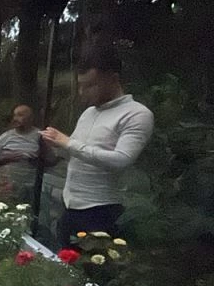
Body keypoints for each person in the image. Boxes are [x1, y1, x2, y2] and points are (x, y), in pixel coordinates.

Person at [40, 46, 154, 246]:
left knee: (94, 273)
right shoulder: (88, 114)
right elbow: (75, 154)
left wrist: (68, 142)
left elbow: (121, 160)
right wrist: (56, 146)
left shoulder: (136, 114)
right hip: (70, 207)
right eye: (81, 86)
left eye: (91, 85)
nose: (83, 92)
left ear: (113, 79)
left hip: (101, 211)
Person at [0, 104, 55, 201]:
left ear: (31, 118)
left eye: (20, 115)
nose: (16, 118)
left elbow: (51, 160)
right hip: (7, 185)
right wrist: (8, 158)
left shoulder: (40, 136)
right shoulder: (6, 136)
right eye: (15, 115)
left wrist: (37, 160)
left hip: (30, 185)